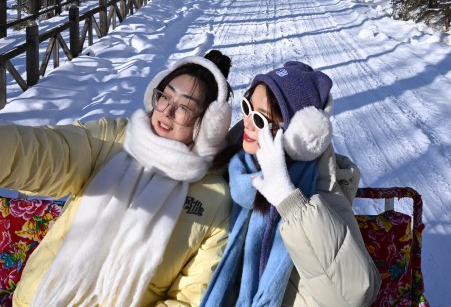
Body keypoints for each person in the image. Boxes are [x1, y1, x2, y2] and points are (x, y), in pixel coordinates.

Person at [0, 50, 233, 307]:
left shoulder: (214, 200)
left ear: (209, 124)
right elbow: (41, 154)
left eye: (185, 108)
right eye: (165, 96)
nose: (167, 110)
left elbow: (188, 300)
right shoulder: (112, 140)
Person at [200, 60, 381, 307]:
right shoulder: (233, 165)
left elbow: (354, 295)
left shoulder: (322, 195)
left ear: (298, 135)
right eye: (246, 106)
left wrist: (290, 202)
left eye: (261, 120)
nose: (247, 122)